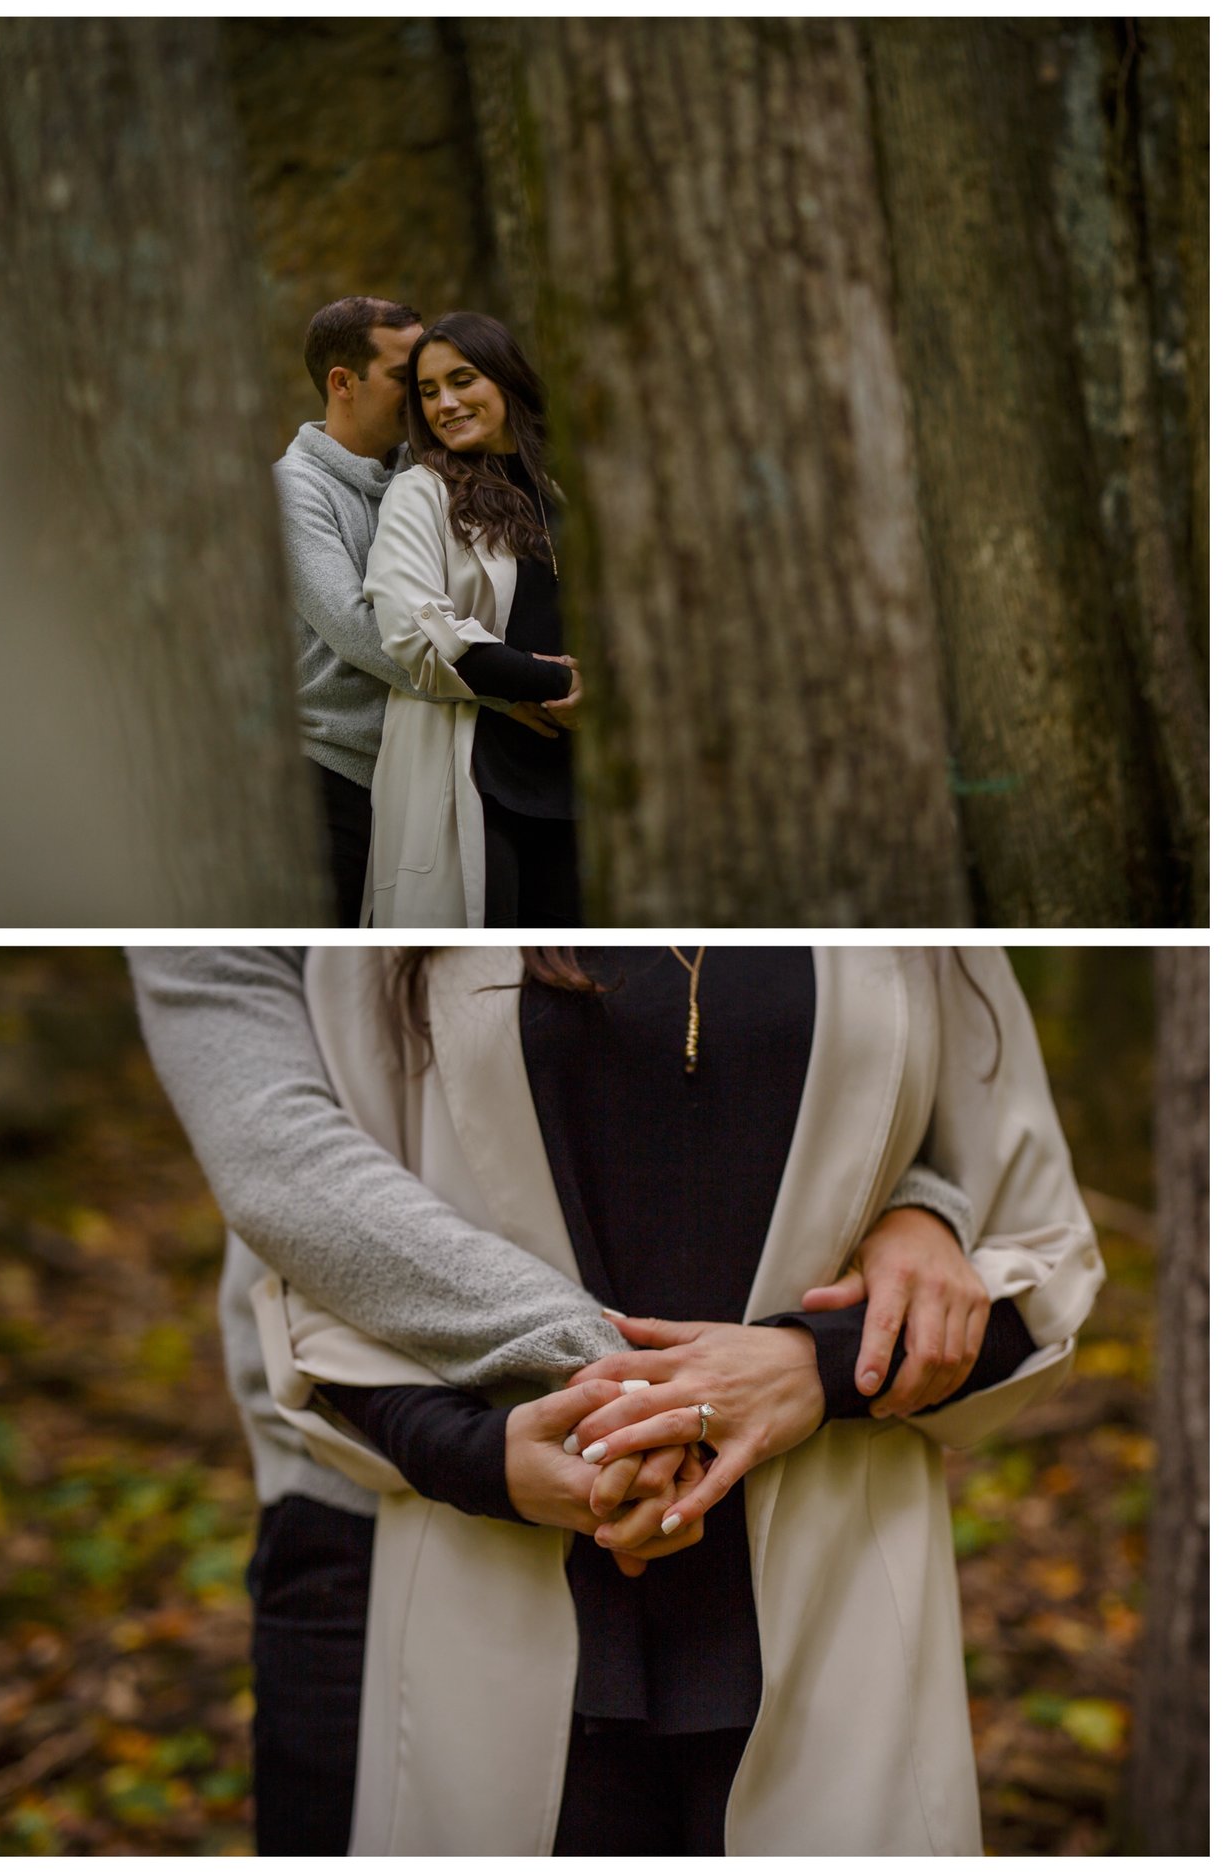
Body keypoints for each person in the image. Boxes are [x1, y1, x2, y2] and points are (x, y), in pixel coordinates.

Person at [129, 947, 999, 1856]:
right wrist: (630, 1382)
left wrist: (920, 1208)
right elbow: (280, 1160)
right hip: (377, 1493)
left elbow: (949, 1120)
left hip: (802, 1553)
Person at [362, 311, 583, 926]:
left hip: (582, 775)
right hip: (479, 774)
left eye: (463, 380)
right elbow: (415, 631)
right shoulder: (422, 492)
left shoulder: (566, 488)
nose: (445, 404)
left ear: (506, 380)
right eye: (428, 392)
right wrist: (563, 686)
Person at [275, 296, 425, 924]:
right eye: (404, 377)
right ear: (344, 382)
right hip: (332, 784)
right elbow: (360, 633)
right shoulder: (292, 489)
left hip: (420, 772)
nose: (424, 395)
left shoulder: (425, 473)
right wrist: (511, 688)